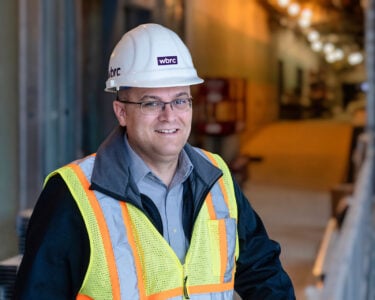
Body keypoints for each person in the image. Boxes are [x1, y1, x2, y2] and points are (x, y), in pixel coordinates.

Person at [14, 23, 295, 299]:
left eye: (180, 100)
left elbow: (263, 272)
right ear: (121, 112)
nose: (169, 116)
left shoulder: (217, 177)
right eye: (151, 103)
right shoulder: (74, 195)